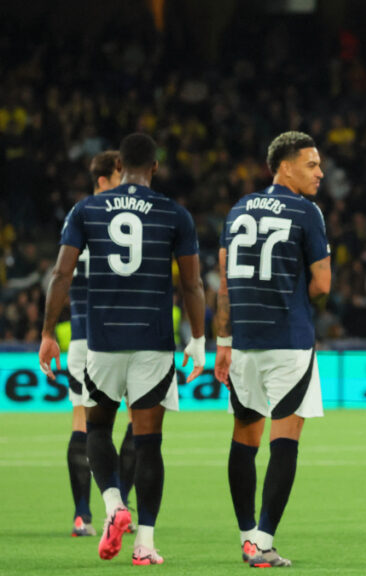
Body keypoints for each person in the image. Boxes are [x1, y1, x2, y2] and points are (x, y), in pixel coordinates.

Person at [39, 133, 207, 565]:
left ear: (121, 165)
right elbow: (192, 283)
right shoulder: (174, 213)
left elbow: (61, 274)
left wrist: (45, 334)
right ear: (153, 167)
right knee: (149, 444)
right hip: (153, 345)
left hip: (102, 342)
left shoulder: (87, 209)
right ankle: (145, 544)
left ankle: (113, 505)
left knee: (96, 429)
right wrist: (199, 339)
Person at [213, 131, 332, 568]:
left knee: (244, 437)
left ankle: (246, 534)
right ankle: (263, 541)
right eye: (311, 164)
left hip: (244, 343)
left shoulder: (238, 208)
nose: (320, 173)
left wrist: (222, 343)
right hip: (288, 341)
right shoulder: (306, 211)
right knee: (285, 441)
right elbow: (322, 284)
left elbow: (223, 284)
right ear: (284, 166)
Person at [63, 151, 137, 538]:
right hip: (122, 336)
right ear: (107, 178)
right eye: (121, 175)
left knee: (83, 421)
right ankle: (119, 505)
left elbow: (61, 273)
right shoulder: (125, 219)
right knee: (137, 420)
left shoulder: (77, 216)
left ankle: (83, 515)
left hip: (80, 338)